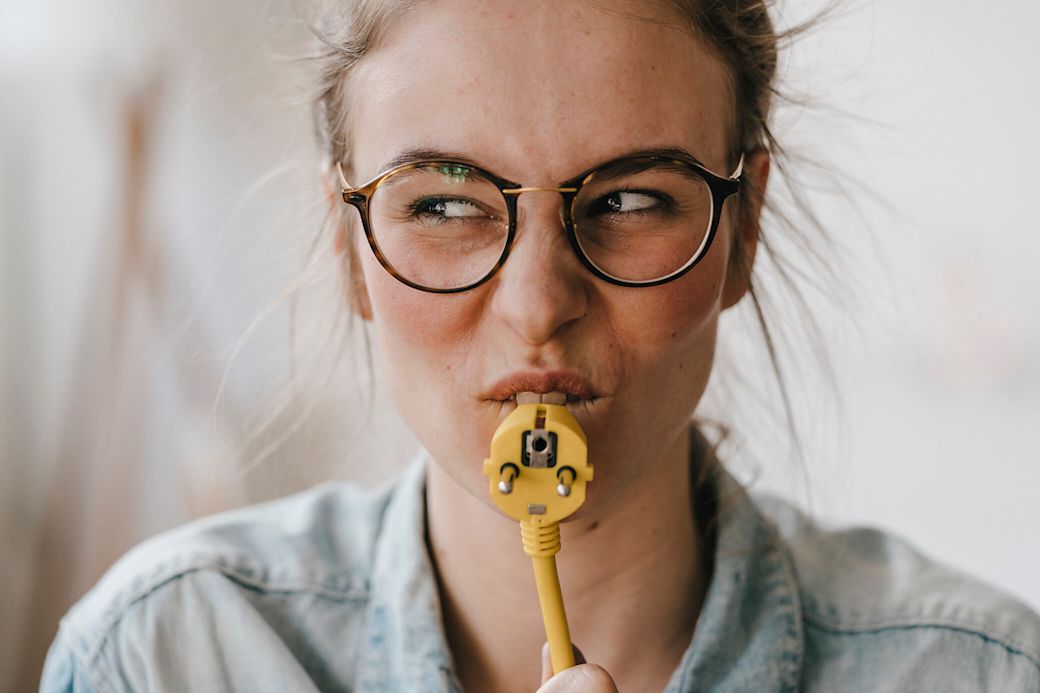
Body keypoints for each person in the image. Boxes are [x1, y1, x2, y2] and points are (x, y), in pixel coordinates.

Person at [40, 1, 1040, 691]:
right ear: (350, 249)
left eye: (630, 201)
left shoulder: (978, 672)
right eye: (441, 204)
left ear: (743, 229)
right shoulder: (162, 654)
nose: (536, 305)